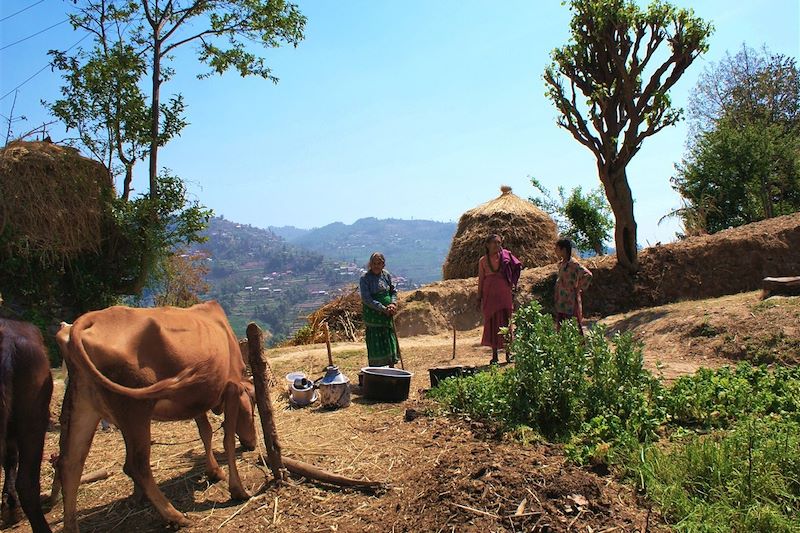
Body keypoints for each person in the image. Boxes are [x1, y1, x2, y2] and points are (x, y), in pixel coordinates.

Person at [477, 234, 521, 364]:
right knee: (492, 323)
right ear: (487, 244)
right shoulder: (483, 261)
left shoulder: (506, 256)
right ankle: (495, 355)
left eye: (499, 242)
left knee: (506, 322)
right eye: (494, 242)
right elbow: (481, 279)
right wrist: (479, 297)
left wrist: (512, 283)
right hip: (490, 294)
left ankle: (508, 354)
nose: (497, 245)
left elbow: (517, 266)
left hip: (504, 293)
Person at [359, 252, 400, 367]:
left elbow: (393, 291)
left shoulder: (386, 275)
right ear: (370, 264)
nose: (376, 266)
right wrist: (382, 308)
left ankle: (392, 367)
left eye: (379, 263)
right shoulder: (365, 279)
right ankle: (377, 370)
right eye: (374, 263)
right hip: (374, 315)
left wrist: (392, 304)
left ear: (383, 264)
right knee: (376, 342)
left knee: (388, 338)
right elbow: (367, 299)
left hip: (388, 313)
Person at [554, 238, 592, 334]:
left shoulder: (573, 264)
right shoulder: (562, 264)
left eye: (557, 248)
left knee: (573, 325)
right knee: (562, 326)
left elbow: (588, 274)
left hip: (570, 300)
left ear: (564, 250)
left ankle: (579, 347)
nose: (555, 251)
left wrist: (578, 287)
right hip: (562, 300)